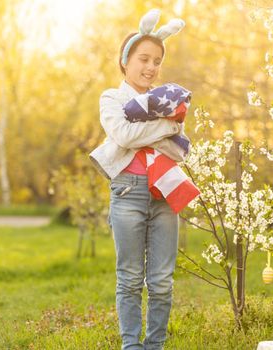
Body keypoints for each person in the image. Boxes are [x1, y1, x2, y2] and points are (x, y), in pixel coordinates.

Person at [89, 9, 192, 350]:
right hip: (128, 192)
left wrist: (151, 131)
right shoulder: (112, 98)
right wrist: (165, 127)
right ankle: (131, 346)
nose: (151, 67)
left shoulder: (167, 100)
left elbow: (179, 151)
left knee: (161, 281)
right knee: (131, 279)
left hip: (164, 192)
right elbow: (122, 135)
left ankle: (155, 345)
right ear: (125, 61)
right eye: (143, 59)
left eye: (157, 61)